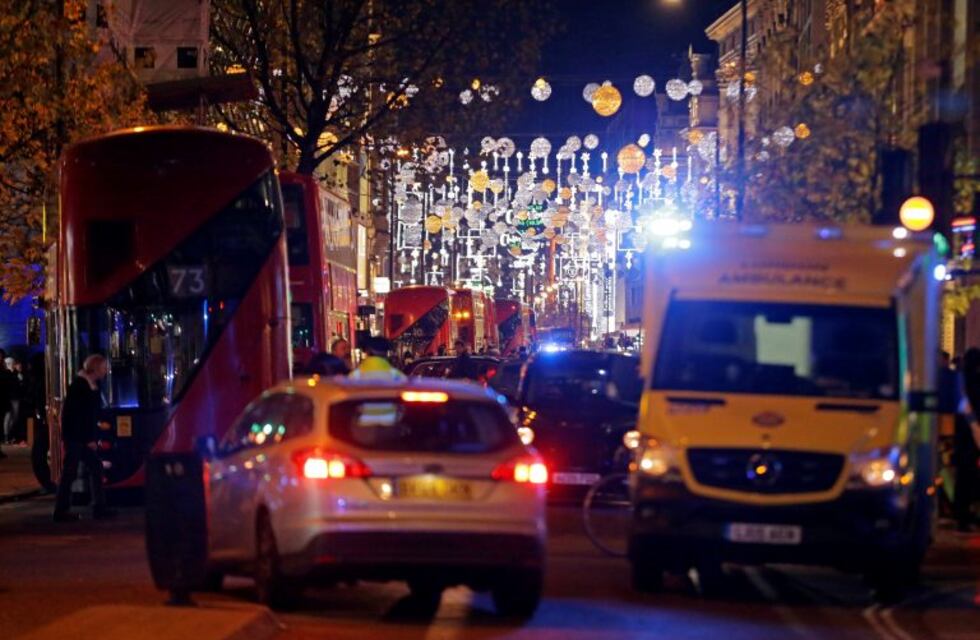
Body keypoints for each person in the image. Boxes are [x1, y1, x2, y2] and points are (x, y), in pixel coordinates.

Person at [53, 354, 115, 522]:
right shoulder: (82, 386)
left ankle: (96, 507)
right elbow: (80, 416)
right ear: (95, 368)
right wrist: (89, 439)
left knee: (88, 469)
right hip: (77, 437)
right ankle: (64, 510)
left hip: (77, 436)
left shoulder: (87, 385)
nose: (106, 371)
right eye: (104, 368)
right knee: (73, 472)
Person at [956, 348, 980, 532]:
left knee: (964, 474)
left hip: (963, 433)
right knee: (969, 474)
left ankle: (963, 514)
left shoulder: (961, 381)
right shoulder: (975, 381)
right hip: (973, 432)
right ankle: (967, 515)